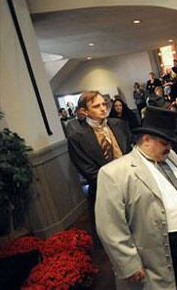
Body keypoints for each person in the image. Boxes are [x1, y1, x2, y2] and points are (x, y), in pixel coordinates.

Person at [95, 106, 177, 290]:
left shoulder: (169, 155)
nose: (170, 148)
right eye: (165, 143)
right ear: (146, 140)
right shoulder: (114, 173)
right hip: (155, 251)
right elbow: (110, 227)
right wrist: (128, 264)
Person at [67, 91, 132, 245]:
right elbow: (88, 171)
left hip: (131, 185)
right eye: (96, 106)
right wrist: (117, 186)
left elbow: (130, 153)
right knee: (117, 240)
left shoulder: (119, 124)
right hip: (104, 191)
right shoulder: (77, 136)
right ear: (84, 111)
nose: (103, 108)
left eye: (104, 104)